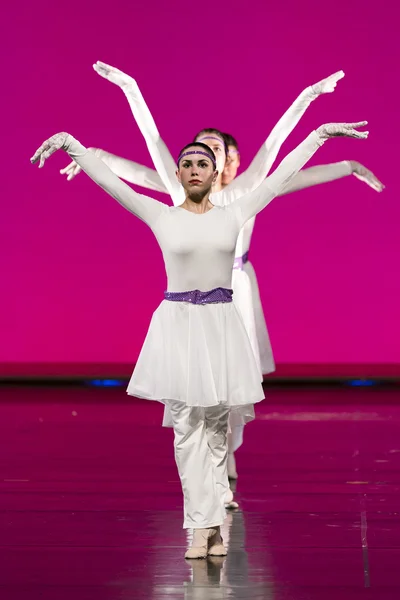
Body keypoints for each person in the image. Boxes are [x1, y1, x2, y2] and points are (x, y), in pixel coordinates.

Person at [31, 115, 367, 557]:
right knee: (186, 429)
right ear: (178, 173)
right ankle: (204, 526)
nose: (192, 167)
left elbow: (282, 173)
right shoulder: (160, 215)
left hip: (220, 325)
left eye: (202, 163)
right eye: (186, 161)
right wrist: (73, 144)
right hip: (176, 325)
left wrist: (320, 135)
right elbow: (114, 186)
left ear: (216, 174)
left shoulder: (236, 212)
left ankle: (209, 523)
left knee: (213, 428)